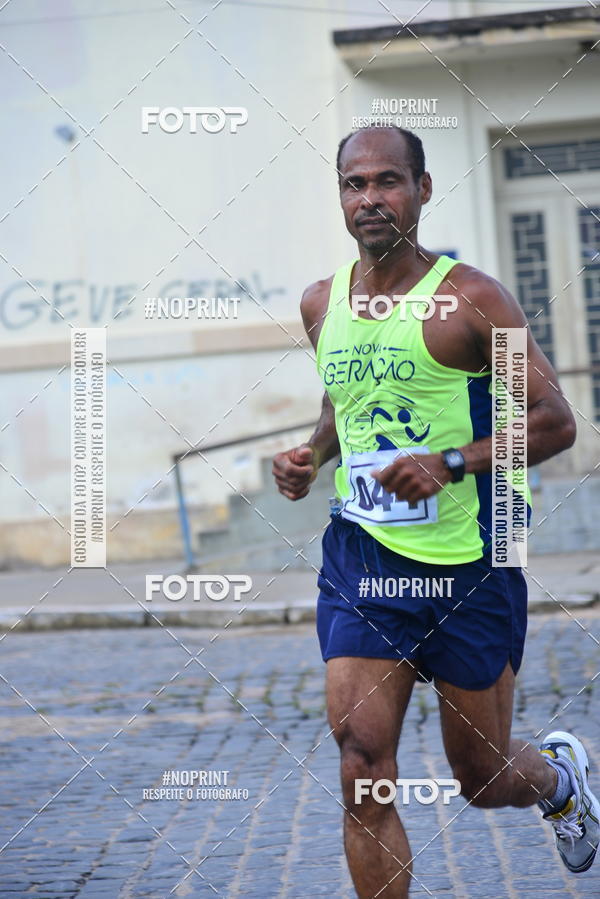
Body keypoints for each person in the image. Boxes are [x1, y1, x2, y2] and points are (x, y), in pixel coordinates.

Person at [272, 125, 599, 897]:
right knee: (361, 763)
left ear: (421, 189)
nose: (370, 198)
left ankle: (558, 780)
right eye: (354, 183)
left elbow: (555, 422)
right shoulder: (321, 303)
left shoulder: (474, 301)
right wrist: (311, 455)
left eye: (387, 181)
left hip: (471, 563)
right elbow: (344, 405)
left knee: (482, 777)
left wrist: (450, 462)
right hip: (364, 561)